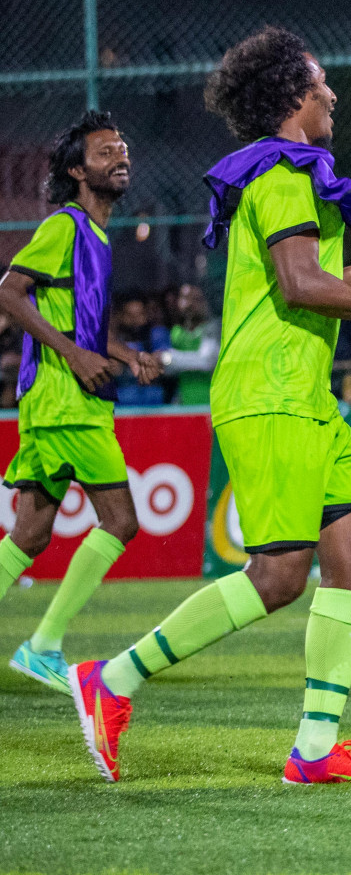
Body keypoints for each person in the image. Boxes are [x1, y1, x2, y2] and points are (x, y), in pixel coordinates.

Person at [66, 25, 351, 784]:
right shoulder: (286, 176)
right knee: (279, 576)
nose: (333, 94)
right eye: (322, 83)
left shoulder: (281, 174)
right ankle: (112, 679)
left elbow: (293, 276)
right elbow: (298, 286)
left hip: (304, 395)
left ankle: (316, 749)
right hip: (268, 394)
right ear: (295, 95)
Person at [0, 110, 164, 693]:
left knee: (30, 536)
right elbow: (10, 294)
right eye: (104, 152)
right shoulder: (65, 226)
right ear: (76, 170)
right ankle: (43, 646)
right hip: (65, 400)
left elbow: (81, 321)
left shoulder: (95, 235)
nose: (120, 157)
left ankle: (42, 646)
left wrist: (122, 355)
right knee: (120, 521)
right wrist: (73, 355)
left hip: (65, 398)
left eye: (122, 148)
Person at [160, 284, 218, 405]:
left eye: (196, 299)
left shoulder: (213, 329)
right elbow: (164, 369)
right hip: (184, 403)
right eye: (185, 298)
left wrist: (167, 358)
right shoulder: (175, 332)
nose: (190, 304)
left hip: (210, 401)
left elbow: (206, 361)